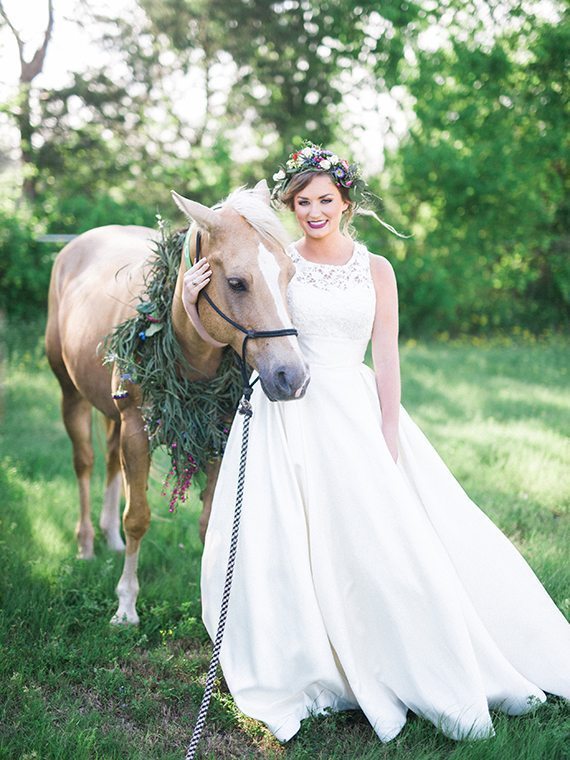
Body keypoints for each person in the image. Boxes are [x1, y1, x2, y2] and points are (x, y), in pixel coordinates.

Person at [182, 142, 570, 744]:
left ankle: (407, 652)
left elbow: (386, 358)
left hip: (356, 409)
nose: (314, 211)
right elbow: (244, 315)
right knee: (286, 541)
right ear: (291, 204)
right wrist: (188, 296)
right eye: (303, 201)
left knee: (386, 541)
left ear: (346, 202)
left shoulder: (376, 268)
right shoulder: (282, 261)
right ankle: (308, 659)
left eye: (325, 200)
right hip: (291, 414)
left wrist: (388, 430)